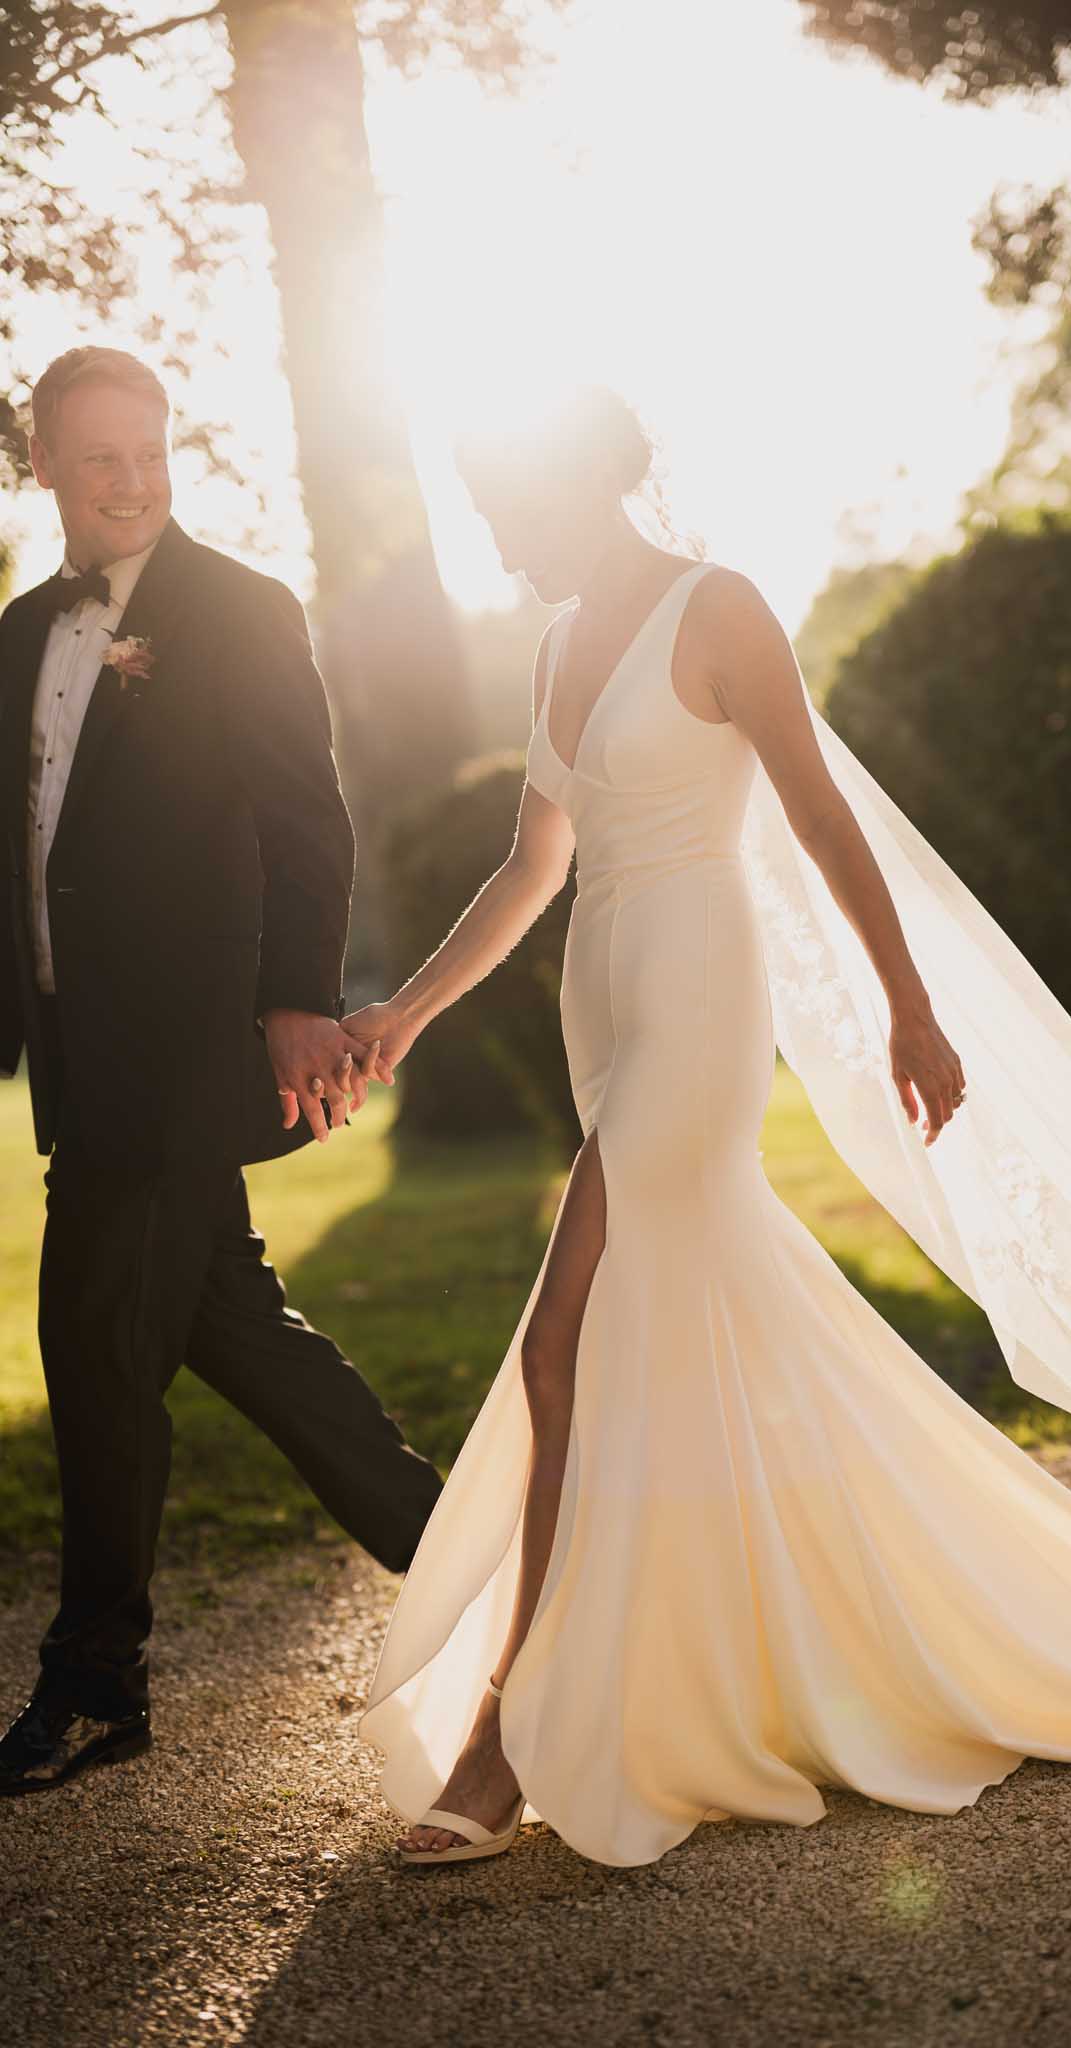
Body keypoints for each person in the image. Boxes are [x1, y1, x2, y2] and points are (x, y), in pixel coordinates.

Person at [351, 385, 1071, 1871]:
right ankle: (768, 1646)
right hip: (604, 998)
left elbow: (820, 815)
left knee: (566, 1340)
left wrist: (907, 1002)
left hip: (698, 993)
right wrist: (403, 1016)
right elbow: (530, 861)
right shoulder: (563, 641)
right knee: (682, 1325)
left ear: (576, 485)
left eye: (506, 507)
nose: (497, 542)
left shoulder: (721, 609)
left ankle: (510, 1728)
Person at [0, 346, 444, 1795]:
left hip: (188, 1045)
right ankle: (475, 1563)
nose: (132, 483)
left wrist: (301, 1002)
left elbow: (305, 818)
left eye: (150, 451)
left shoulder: (241, 609)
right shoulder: (18, 637)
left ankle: (96, 1674)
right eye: (100, 459)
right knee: (230, 1329)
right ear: (45, 466)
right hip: (80, 1054)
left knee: (95, 1345)